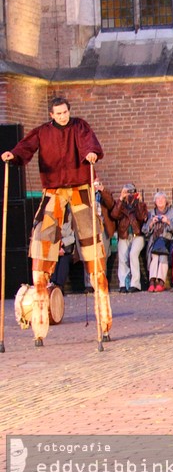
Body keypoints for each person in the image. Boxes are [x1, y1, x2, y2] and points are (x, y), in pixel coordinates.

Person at [1, 96, 111, 345]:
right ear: (51, 114)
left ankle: (104, 322)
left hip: (80, 189)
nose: (63, 116)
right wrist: (14, 155)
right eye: (58, 113)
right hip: (53, 191)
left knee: (93, 248)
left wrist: (91, 154)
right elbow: (25, 148)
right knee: (42, 244)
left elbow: (89, 143)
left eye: (65, 112)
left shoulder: (79, 126)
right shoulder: (42, 132)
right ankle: (39, 326)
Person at [110, 183, 148, 293]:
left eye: (131, 192)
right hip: (124, 235)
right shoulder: (121, 205)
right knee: (122, 258)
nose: (129, 195)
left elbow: (141, 217)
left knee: (133, 254)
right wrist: (121, 199)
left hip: (137, 235)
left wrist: (139, 202)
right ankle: (123, 284)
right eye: (127, 192)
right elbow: (114, 215)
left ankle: (135, 284)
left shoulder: (140, 204)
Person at [142, 191, 173, 292]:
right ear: (155, 201)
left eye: (162, 199)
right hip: (154, 242)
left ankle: (161, 282)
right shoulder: (151, 213)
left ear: (166, 201)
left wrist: (167, 221)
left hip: (167, 241)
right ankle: (152, 281)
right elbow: (144, 230)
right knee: (154, 256)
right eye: (158, 199)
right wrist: (151, 223)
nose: (160, 201)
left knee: (163, 256)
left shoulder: (171, 213)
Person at [48, 207, 76, 291]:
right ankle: (53, 283)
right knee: (54, 258)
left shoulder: (72, 219)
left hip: (67, 248)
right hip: (54, 247)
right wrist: (57, 247)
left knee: (64, 259)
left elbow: (73, 237)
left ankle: (59, 285)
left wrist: (63, 243)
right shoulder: (52, 219)